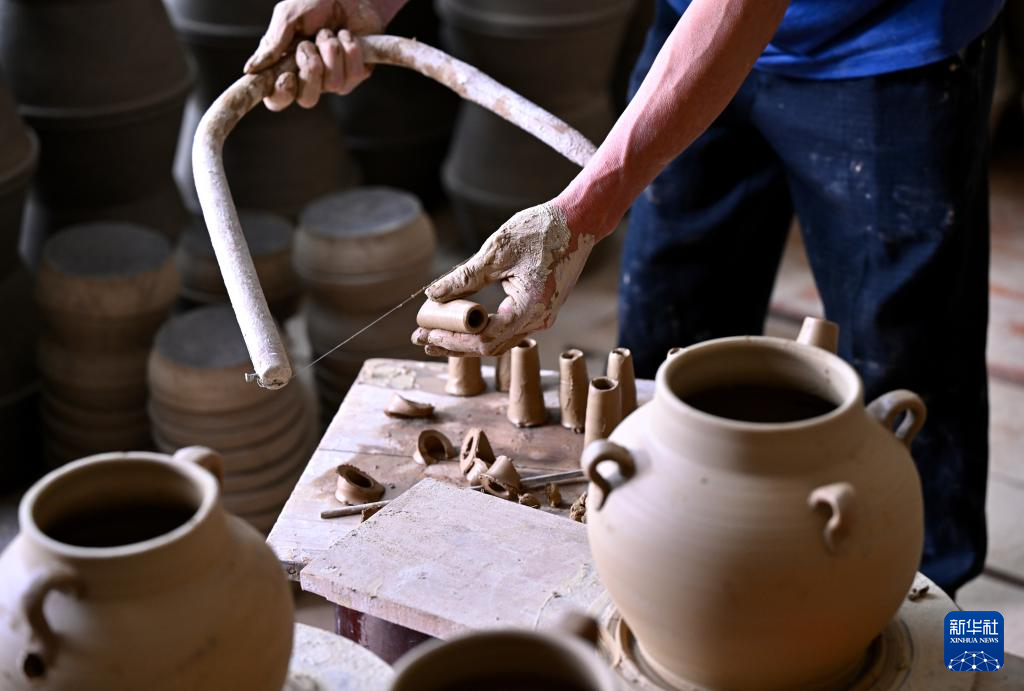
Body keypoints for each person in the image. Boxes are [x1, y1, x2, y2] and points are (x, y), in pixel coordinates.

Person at [248, 0, 1002, 595]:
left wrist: (583, 214)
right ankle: (685, 583)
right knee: (657, 362)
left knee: (911, 393)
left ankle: (963, 647)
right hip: (690, 28)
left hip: (892, 45)